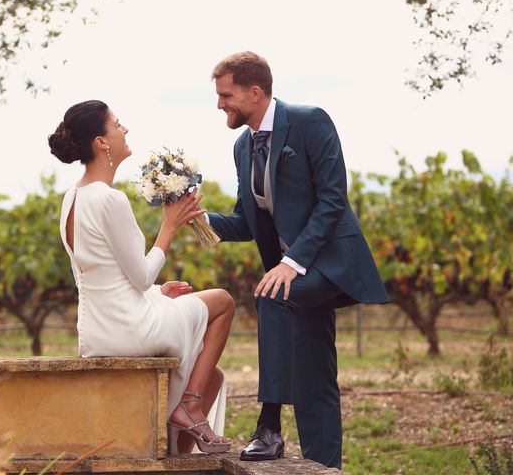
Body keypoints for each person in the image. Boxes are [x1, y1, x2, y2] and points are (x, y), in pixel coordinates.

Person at [207, 52, 389, 468]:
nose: (220, 105)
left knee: (272, 295)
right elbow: (246, 221)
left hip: (331, 260)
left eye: (225, 95)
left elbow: (332, 200)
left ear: (255, 92)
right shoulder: (243, 146)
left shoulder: (310, 122)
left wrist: (293, 263)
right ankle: (325, 467)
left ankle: (269, 425)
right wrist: (197, 220)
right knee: (316, 378)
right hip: (297, 271)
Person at [48, 100, 233, 455]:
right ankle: (190, 408)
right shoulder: (109, 200)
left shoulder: (72, 198)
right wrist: (170, 225)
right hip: (130, 328)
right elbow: (141, 276)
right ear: (102, 143)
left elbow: (107, 274)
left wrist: (160, 292)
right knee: (222, 302)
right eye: (117, 124)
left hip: (96, 330)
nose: (124, 129)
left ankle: (178, 439)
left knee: (214, 372)